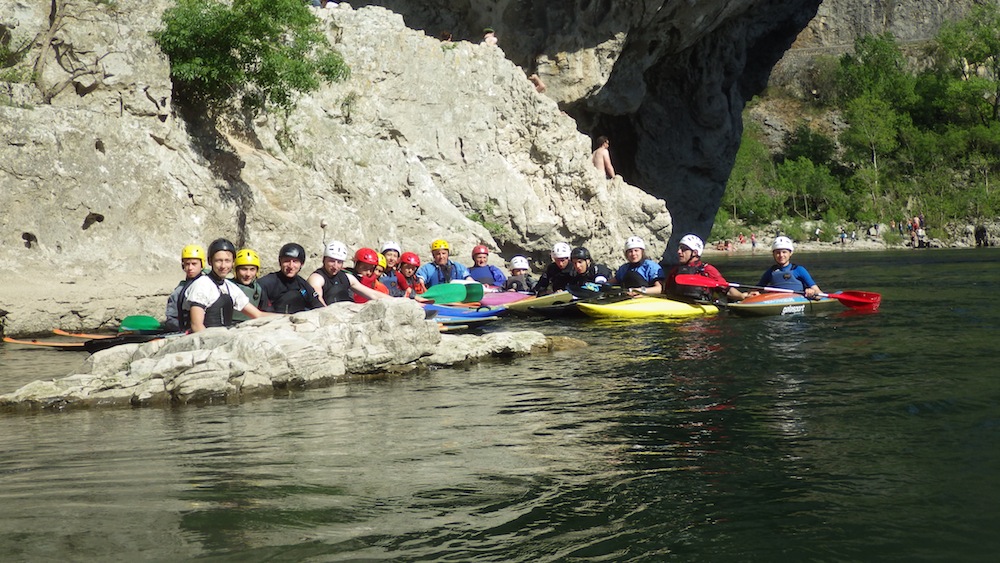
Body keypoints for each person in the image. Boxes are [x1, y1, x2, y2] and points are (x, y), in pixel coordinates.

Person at [183, 239, 269, 332]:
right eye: (219, 261)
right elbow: (197, 326)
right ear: (210, 261)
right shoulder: (201, 285)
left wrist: (286, 317)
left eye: (227, 261)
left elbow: (258, 315)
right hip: (203, 341)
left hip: (222, 338)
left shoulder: (230, 287)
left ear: (233, 263)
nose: (223, 266)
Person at [664, 233, 744, 303]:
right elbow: (665, 291)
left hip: (701, 312)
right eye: (679, 248)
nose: (679, 251)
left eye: (684, 249)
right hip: (677, 304)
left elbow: (727, 290)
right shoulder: (675, 271)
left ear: (695, 253)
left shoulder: (707, 270)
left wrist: (742, 297)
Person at [258, 242, 323, 314]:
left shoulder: (303, 285)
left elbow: (318, 307)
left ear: (301, 264)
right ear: (280, 262)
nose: (291, 266)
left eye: (295, 261)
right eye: (286, 261)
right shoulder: (266, 283)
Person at [751, 236, 823, 299]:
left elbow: (819, 293)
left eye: (784, 252)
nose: (781, 255)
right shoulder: (770, 272)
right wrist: (754, 293)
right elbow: (757, 289)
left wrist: (812, 292)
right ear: (773, 254)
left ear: (790, 253)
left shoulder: (799, 270)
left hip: (798, 300)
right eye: (778, 253)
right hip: (777, 300)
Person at [164, 244, 206, 331]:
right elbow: (171, 319)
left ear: (202, 264)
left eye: (194, 264)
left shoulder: (209, 284)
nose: (190, 268)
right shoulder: (179, 291)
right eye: (187, 264)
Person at [232, 248, 271, 323]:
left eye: (252, 269)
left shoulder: (259, 289)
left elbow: (266, 311)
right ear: (236, 270)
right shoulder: (227, 286)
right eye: (244, 269)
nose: (248, 274)